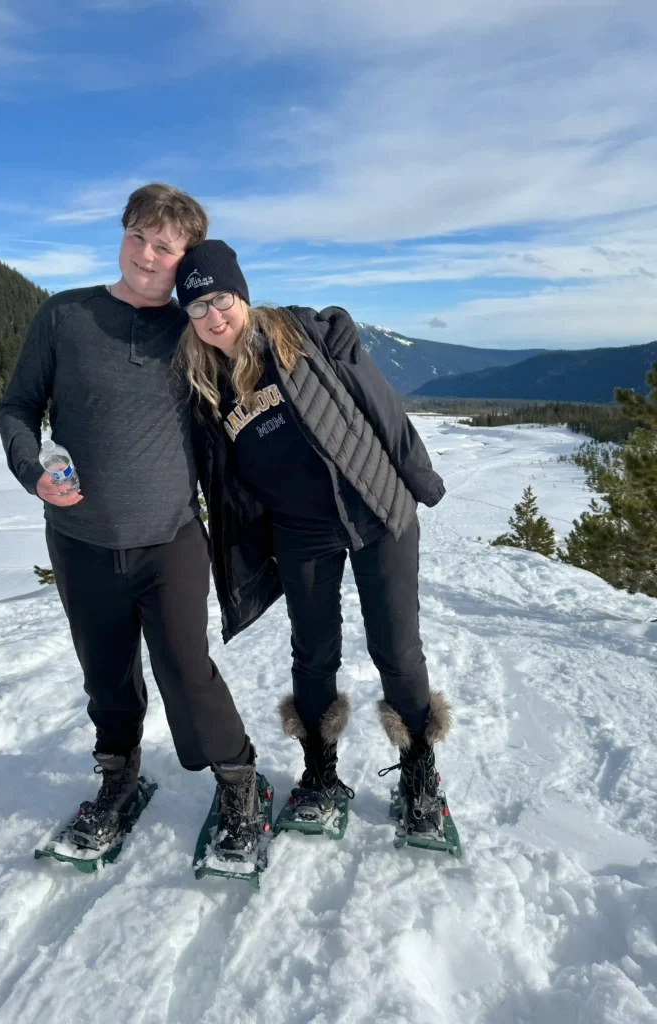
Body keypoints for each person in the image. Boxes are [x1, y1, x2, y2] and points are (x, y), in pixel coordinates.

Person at [0, 185, 259, 860]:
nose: (146, 254)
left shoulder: (190, 328)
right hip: (81, 542)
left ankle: (238, 780)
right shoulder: (65, 316)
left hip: (169, 538)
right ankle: (118, 775)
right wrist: (33, 471)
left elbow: (258, 380)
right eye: (138, 236)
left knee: (186, 670)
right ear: (122, 235)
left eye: (164, 246)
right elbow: (18, 407)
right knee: (105, 673)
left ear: (184, 259)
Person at [174, 240, 452, 839]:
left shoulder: (302, 336)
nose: (213, 316)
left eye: (220, 298)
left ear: (240, 293)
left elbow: (383, 408)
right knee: (314, 654)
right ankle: (320, 776)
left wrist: (420, 479)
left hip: (376, 510)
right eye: (196, 307)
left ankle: (420, 778)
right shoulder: (204, 385)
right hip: (298, 533)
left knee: (397, 651)